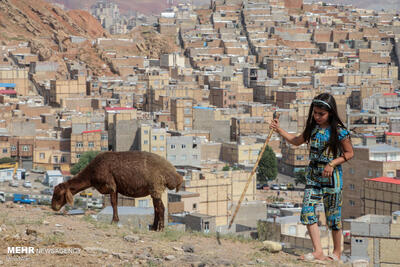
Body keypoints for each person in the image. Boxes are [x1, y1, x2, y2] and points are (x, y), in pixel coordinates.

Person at [270, 93, 354, 262]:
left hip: (332, 178)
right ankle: (318, 251)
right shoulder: (313, 128)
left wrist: (332, 163)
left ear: (330, 112)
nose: (317, 116)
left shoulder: (339, 131)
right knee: (307, 211)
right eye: (315, 113)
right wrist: (278, 130)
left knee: (333, 217)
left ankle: (336, 254)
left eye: (321, 114)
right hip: (314, 176)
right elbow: (296, 141)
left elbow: (350, 153)